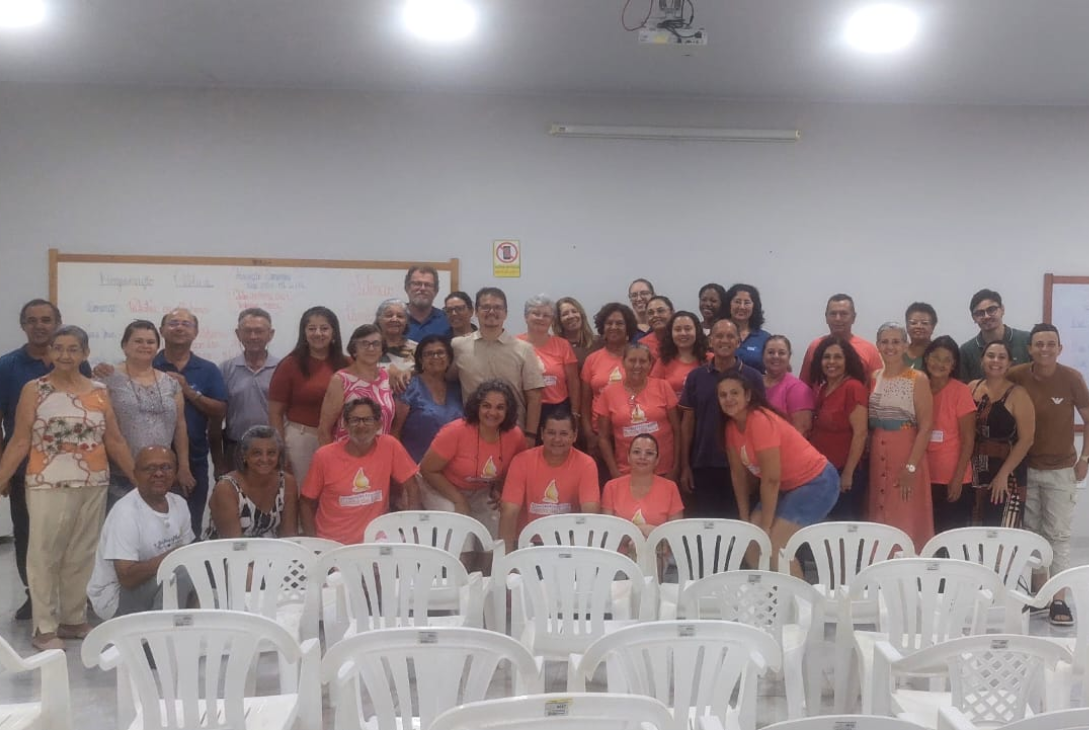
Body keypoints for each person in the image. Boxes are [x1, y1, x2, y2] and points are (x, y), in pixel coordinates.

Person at [0, 325, 135, 651]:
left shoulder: (100, 391)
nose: (65, 355)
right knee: (44, 555)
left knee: (81, 554)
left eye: (73, 349)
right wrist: (2, 476)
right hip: (47, 484)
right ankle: (44, 627)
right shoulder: (35, 390)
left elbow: (114, 439)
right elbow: (19, 439)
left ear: (85, 353)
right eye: (58, 348)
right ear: (49, 354)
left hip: (93, 482)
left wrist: (137, 478)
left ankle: (73, 619)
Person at [0, 299, 90, 621]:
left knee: (71, 537)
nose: (39, 325)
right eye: (32, 320)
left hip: (74, 469)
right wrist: (4, 470)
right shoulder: (6, 366)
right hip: (27, 468)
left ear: (58, 323)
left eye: (46, 319)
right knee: (28, 535)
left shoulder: (76, 363)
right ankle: (34, 597)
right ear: (23, 325)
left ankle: (71, 599)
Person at [1008, 324, 1089, 626]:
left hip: (1060, 471)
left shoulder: (1072, 379)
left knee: (1058, 537)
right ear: (1029, 348)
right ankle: (1040, 596)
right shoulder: (1016, 376)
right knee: (1032, 535)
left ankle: (1059, 601)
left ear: (1059, 348)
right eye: (1039, 344)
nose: (1045, 349)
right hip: (1026, 468)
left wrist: (1085, 458)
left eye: (1051, 344)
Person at [718, 372, 838, 572]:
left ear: (747, 396)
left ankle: (799, 600)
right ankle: (769, 596)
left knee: (776, 545)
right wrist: (744, 518)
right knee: (751, 542)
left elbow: (771, 480)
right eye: (722, 395)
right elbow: (738, 477)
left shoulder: (760, 421)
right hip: (786, 486)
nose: (728, 399)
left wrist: (765, 526)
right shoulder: (731, 427)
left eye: (734, 393)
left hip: (816, 482)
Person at [86, 446, 195, 620]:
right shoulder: (125, 512)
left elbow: (190, 558)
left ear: (175, 473)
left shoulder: (179, 503)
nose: (158, 473)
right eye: (149, 468)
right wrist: (172, 558)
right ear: (135, 474)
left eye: (166, 467)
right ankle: (157, 639)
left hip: (154, 583)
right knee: (179, 574)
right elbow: (127, 578)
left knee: (208, 590)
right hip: (115, 598)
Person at [100, 320, 195, 508]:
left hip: (163, 477)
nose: (145, 346)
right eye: (138, 341)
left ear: (157, 347)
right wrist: (135, 477)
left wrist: (183, 466)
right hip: (122, 477)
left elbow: (180, 426)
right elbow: (106, 431)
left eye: (150, 342)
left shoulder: (171, 382)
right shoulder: (106, 380)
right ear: (124, 345)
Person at [301, 397, 421, 544]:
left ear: (379, 424)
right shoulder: (324, 456)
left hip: (375, 541)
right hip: (333, 543)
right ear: (345, 424)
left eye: (368, 420)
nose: (361, 425)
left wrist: (409, 527)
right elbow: (306, 503)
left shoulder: (389, 446)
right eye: (355, 420)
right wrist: (314, 544)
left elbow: (412, 487)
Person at [678, 318, 766, 519]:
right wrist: (685, 466)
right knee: (706, 526)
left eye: (730, 336)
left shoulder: (753, 377)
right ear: (710, 341)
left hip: (744, 465)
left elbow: (760, 423)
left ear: (738, 342)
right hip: (703, 463)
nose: (724, 340)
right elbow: (688, 423)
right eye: (718, 335)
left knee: (739, 524)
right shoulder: (695, 377)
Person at [152, 308, 228, 536]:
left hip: (194, 461)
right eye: (173, 323)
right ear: (162, 330)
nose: (179, 327)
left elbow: (220, 410)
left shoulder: (208, 369)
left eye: (186, 324)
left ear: (196, 332)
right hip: (151, 460)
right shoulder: (147, 364)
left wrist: (188, 391)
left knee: (190, 526)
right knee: (151, 528)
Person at [420, 380, 528, 537]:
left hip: (481, 491)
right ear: (477, 406)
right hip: (440, 486)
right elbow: (427, 469)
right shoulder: (455, 431)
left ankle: (491, 562)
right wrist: (458, 500)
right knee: (459, 529)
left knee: (496, 530)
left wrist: (501, 490)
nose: (492, 412)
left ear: (508, 411)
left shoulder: (515, 436)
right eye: (486, 405)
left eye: (500, 407)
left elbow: (516, 470)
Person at [868, 322, 935, 549]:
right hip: (878, 451)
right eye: (885, 341)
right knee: (878, 507)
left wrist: (911, 467)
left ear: (905, 346)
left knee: (904, 512)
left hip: (906, 452)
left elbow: (926, 426)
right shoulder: (874, 376)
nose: (890, 347)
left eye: (896, 341)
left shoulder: (917, 378)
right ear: (878, 345)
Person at [451, 287, 545, 443]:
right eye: (486, 307)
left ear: (506, 313)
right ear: (476, 311)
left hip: (513, 432)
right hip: (472, 432)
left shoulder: (524, 349)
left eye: (497, 307)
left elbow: (534, 397)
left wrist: (530, 435)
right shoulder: (458, 346)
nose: (491, 311)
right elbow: (441, 377)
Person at [498, 409, 600, 549]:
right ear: (542, 434)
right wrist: (507, 558)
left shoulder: (586, 464)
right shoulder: (521, 461)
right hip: (527, 544)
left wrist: (571, 555)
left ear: (574, 436)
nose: (557, 439)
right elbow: (509, 511)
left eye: (563, 434)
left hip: (568, 543)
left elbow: (590, 514)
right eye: (551, 433)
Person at [268, 306, 349, 482]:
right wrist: (280, 450)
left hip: (340, 439)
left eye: (324, 328)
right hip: (303, 440)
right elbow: (275, 413)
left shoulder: (347, 363)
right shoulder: (289, 365)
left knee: (335, 491)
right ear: (304, 333)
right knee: (303, 494)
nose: (318, 333)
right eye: (311, 328)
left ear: (334, 333)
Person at [967, 341, 1035, 528]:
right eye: (990, 356)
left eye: (1001, 357)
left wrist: (1003, 474)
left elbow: (1027, 439)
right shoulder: (972, 387)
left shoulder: (1018, 393)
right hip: (975, 469)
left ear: (1009, 363)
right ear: (982, 360)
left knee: (1000, 530)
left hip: (1007, 472)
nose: (995, 361)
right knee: (975, 526)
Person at [596, 343, 680, 481]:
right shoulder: (608, 393)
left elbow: (677, 430)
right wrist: (614, 471)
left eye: (642, 361)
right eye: (632, 360)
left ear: (650, 364)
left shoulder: (663, 387)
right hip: (626, 472)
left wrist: (676, 467)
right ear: (623, 362)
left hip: (664, 470)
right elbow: (603, 438)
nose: (637, 366)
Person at [808, 336, 869, 520]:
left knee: (842, 529)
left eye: (838, 357)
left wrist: (848, 473)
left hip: (844, 473)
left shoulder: (853, 388)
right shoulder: (823, 387)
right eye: (827, 357)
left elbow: (860, 434)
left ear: (847, 360)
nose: (831, 362)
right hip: (823, 472)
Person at [213, 307, 280, 476]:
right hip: (235, 448)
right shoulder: (226, 369)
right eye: (247, 331)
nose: (253, 336)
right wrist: (218, 460)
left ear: (270, 334)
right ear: (238, 334)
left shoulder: (282, 369)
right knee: (234, 498)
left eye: (259, 331)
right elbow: (216, 417)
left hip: (271, 450)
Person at [921, 336, 976, 534]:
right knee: (927, 536)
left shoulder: (960, 391)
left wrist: (958, 478)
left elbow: (969, 439)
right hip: (923, 476)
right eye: (936, 357)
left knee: (951, 538)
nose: (940, 364)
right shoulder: (917, 386)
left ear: (954, 365)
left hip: (952, 477)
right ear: (926, 358)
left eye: (947, 360)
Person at [205, 425, 298, 539]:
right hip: (228, 552)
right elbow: (232, 543)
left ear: (279, 455)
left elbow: (289, 536)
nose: (265, 459)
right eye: (257, 453)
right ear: (244, 455)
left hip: (272, 551)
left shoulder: (287, 482)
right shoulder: (226, 488)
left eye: (271, 453)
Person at [391, 335, 464, 462]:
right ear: (420, 360)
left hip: (453, 466)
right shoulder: (408, 387)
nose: (435, 357)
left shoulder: (458, 388)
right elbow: (395, 432)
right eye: (429, 354)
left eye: (440, 352)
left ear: (449, 358)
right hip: (415, 467)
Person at [317, 324, 394, 444]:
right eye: (364, 344)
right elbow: (324, 429)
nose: (371, 348)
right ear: (354, 350)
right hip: (347, 456)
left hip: (380, 455)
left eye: (376, 344)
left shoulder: (387, 377)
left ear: (382, 350)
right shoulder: (341, 380)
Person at [518, 295, 580, 438]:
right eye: (536, 313)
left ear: (552, 320)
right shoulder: (515, 344)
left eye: (546, 315)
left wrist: (575, 413)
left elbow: (573, 382)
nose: (541, 318)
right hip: (525, 409)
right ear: (526, 317)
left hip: (558, 410)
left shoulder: (563, 345)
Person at [580, 303, 638, 454]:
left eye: (619, 323)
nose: (614, 327)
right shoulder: (592, 359)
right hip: (599, 433)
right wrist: (589, 434)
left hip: (633, 431)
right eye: (609, 323)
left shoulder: (639, 357)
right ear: (602, 327)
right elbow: (585, 403)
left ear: (628, 327)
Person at [602, 434, 684, 537]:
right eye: (637, 452)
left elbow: (676, 534)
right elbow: (606, 532)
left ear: (657, 460)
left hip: (658, 551)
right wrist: (639, 533)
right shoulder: (611, 487)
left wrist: (653, 538)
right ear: (628, 457)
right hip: (619, 552)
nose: (642, 457)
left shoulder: (670, 488)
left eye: (649, 453)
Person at [799, 294, 884, 386]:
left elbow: (877, 389)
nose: (838, 318)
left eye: (843, 314)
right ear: (826, 317)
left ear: (853, 318)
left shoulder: (869, 350)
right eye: (833, 314)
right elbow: (804, 387)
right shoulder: (815, 346)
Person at [959, 289, 1032, 382]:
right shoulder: (966, 351)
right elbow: (964, 389)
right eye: (980, 313)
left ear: (1002, 309)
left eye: (991, 310)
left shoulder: (1026, 340)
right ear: (974, 318)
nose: (986, 316)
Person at [763, 335, 814, 437]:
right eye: (771, 352)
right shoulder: (754, 382)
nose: (776, 356)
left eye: (781, 353)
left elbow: (801, 432)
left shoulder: (799, 389)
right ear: (763, 355)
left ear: (789, 356)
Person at [651, 311, 707, 398]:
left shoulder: (710, 359)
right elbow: (653, 391)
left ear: (697, 331)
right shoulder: (663, 361)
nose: (683, 333)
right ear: (671, 333)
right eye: (678, 329)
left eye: (688, 329)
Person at [725, 283, 771, 372]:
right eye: (737, 301)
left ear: (754, 306)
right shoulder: (718, 334)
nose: (741, 307)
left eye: (747, 303)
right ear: (729, 304)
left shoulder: (765, 338)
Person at [404, 265, 452, 341]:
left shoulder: (447, 320)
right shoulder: (394, 320)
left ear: (436, 290)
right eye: (417, 283)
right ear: (407, 287)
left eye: (428, 285)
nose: (422, 288)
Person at [553, 296, 596, 372]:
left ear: (581, 315)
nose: (571, 316)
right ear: (558, 321)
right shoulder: (554, 346)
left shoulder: (599, 343)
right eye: (565, 314)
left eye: (574, 311)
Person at [376, 298, 418, 372]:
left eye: (400, 316)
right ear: (379, 319)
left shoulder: (417, 349)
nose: (394, 319)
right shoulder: (370, 347)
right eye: (389, 315)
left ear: (407, 321)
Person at [639, 295, 674, 360]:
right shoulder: (642, 344)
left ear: (672, 312)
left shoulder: (680, 339)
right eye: (650, 313)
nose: (655, 315)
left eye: (660, 311)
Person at [904, 302, 938, 370]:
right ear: (907, 326)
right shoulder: (898, 355)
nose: (918, 326)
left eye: (924, 323)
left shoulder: (940, 355)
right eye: (913, 323)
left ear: (933, 327)